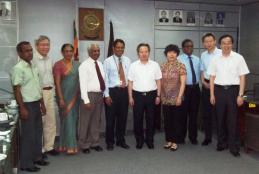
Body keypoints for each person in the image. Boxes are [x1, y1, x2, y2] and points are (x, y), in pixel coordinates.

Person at [208, 34, 249, 157]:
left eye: (229, 43)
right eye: (224, 43)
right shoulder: (215, 59)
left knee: (233, 119)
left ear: (232, 44)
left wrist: (241, 95)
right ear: (220, 45)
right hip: (218, 91)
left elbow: (242, 77)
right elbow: (211, 77)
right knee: (219, 118)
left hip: (233, 91)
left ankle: (234, 146)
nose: (226, 45)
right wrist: (211, 94)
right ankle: (221, 143)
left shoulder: (238, 58)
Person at [11, 41, 49, 172]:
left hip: (36, 103)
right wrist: (22, 108)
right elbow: (17, 89)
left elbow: (37, 87)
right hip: (26, 105)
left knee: (38, 132)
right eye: (26, 50)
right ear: (20, 53)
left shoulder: (33, 66)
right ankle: (26, 164)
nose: (30, 53)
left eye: (30, 50)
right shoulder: (18, 68)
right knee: (28, 135)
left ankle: (37, 157)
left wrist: (42, 104)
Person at [128, 43, 162, 149]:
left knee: (151, 119)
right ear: (138, 53)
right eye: (141, 52)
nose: (144, 54)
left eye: (146, 51)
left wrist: (158, 95)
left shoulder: (155, 65)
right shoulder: (133, 65)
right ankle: (139, 140)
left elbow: (158, 81)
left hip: (151, 95)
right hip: (137, 95)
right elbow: (130, 82)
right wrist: (130, 97)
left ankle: (150, 140)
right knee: (137, 119)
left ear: (149, 52)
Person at [33, 35, 59, 156]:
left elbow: (52, 78)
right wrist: (38, 96)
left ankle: (49, 146)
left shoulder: (50, 59)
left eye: (47, 44)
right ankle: (39, 149)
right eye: (42, 44)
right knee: (40, 122)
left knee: (51, 121)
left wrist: (53, 93)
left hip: (50, 92)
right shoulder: (32, 59)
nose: (45, 47)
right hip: (38, 93)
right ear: (36, 46)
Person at [103, 39, 131, 151]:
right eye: (118, 47)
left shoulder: (128, 60)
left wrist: (130, 94)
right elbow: (105, 79)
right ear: (113, 48)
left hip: (124, 92)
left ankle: (121, 140)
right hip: (112, 92)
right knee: (110, 119)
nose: (120, 49)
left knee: (123, 118)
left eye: (122, 47)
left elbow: (130, 77)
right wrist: (106, 95)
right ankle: (110, 142)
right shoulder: (107, 61)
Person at [53, 44, 80, 155]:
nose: (69, 53)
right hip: (63, 97)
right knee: (66, 120)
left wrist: (74, 98)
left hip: (75, 97)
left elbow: (79, 83)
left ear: (73, 52)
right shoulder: (58, 65)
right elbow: (57, 83)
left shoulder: (78, 64)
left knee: (73, 120)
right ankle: (68, 145)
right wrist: (61, 99)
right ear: (62, 52)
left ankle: (68, 144)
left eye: (70, 51)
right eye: (66, 51)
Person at [78, 43, 105, 154]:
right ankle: (84, 144)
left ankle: (95, 143)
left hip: (99, 95)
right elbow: (82, 84)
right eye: (94, 51)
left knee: (95, 121)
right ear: (89, 52)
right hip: (89, 96)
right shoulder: (84, 65)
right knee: (85, 121)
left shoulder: (100, 64)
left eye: (98, 51)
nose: (97, 53)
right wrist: (86, 100)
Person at [161, 44, 186, 151]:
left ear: (177, 54)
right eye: (169, 52)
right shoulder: (162, 66)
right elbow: (159, 82)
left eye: (174, 52)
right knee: (167, 120)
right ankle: (169, 140)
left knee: (176, 120)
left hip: (176, 97)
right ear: (166, 54)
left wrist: (179, 97)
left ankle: (175, 141)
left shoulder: (181, 65)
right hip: (165, 98)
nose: (172, 54)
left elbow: (183, 83)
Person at [178, 39, 201, 145]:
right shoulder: (178, 59)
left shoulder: (197, 59)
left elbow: (201, 74)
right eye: (187, 46)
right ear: (183, 48)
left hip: (195, 89)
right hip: (184, 89)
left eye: (191, 46)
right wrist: (180, 93)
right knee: (182, 115)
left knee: (194, 114)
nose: (189, 48)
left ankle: (193, 137)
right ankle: (181, 137)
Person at [200, 33, 221, 146]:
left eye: (210, 41)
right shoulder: (203, 55)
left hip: (218, 85)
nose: (208, 43)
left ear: (215, 41)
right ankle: (207, 137)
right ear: (203, 43)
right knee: (206, 113)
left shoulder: (221, 53)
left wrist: (213, 84)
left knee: (219, 113)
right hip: (206, 85)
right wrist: (203, 82)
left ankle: (221, 139)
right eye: (206, 41)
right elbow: (202, 70)